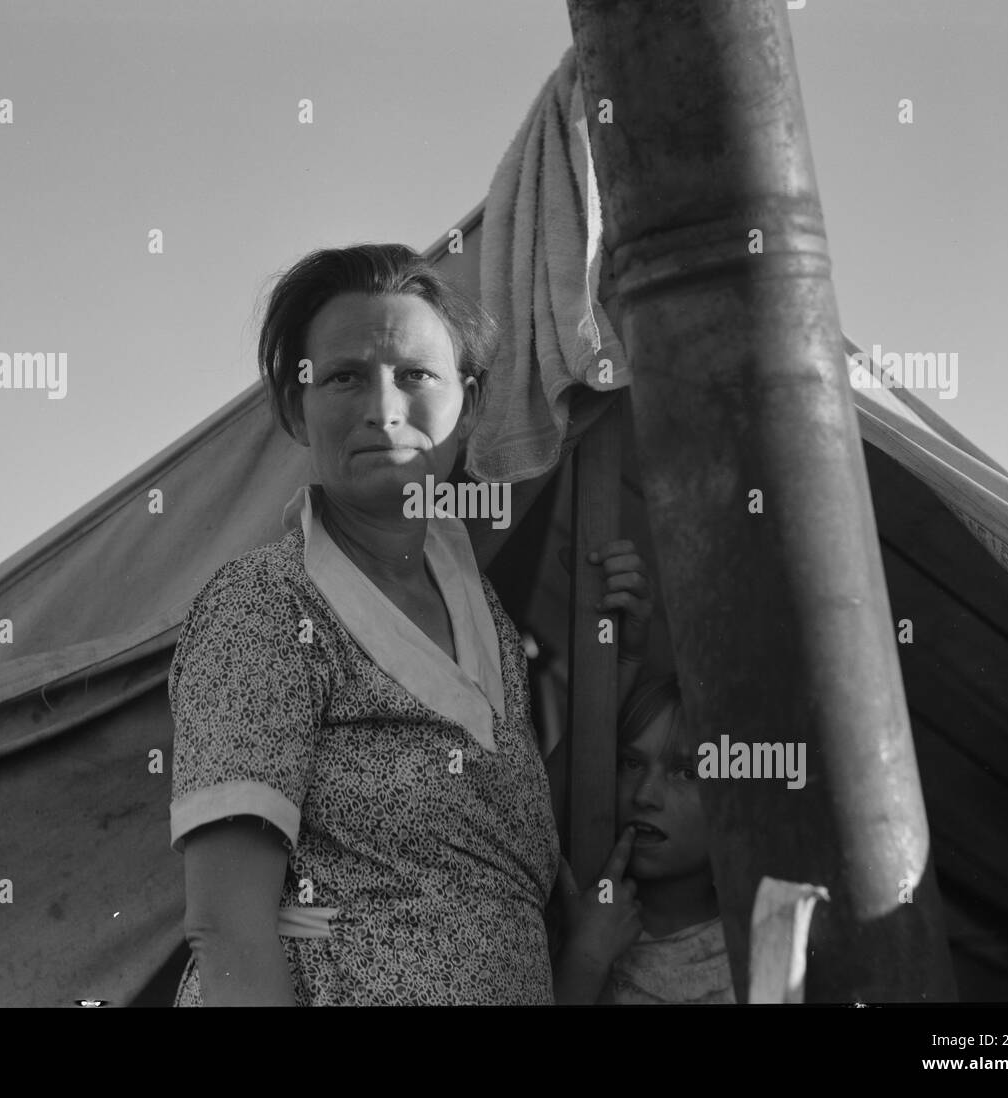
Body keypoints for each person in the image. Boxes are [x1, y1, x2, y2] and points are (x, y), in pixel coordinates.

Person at [167, 242, 652, 1005]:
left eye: (415, 376)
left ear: (469, 402)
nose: (383, 410)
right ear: (296, 408)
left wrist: (612, 656)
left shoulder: (484, 615)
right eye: (344, 377)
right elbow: (228, 927)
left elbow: (499, 830)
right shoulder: (267, 605)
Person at [553, 672, 736, 1003]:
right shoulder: (557, 927)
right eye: (632, 763)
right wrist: (586, 961)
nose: (645, 795)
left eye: (687, 772)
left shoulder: (761, 944)